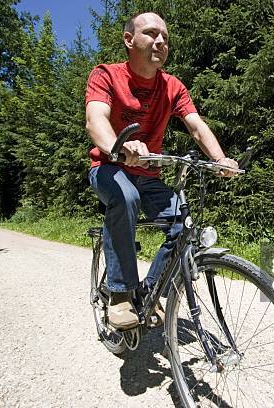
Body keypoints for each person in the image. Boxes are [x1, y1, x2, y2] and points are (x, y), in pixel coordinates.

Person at [85, 12, 239, 329]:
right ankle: (120, 292)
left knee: (186, 224)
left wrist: (220, 158)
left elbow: (196, 127)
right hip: (108, 168)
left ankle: (151, 289)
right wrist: (121, 147)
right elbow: (96, 119)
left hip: (149, 175)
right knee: (125, 197)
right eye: (152, 33)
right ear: (129, 40)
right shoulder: (106, 75)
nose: (160, 41)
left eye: (165, 37)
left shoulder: (173, 87)